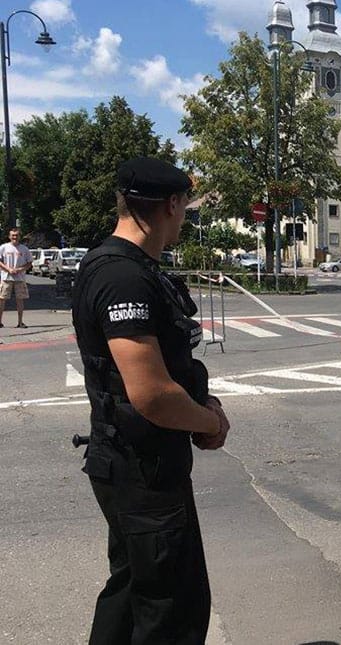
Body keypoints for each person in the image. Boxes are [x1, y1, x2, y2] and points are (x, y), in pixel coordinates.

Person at [72, 157, 230, 645]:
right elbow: (152, 394)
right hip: (143, 471)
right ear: (172, 205)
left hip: (130, 464)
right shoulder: (124, 277)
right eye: (186, 208)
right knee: (170, 611)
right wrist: (209, 422)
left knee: (129, 596)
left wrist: (203, 400)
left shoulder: (117, 265)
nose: (185, 218)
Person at [0, 227, 32, 328]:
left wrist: (19, 269)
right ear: (9, 236)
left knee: (20, 300)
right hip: (6, 277)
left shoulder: (24, 249)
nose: (15, 237)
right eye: (13, 235)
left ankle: (20, 322)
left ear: (19, 236)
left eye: (17, 235)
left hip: (20, 278)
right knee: (1, 299)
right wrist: (8, 269)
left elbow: (29, 263)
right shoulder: (3, 247)